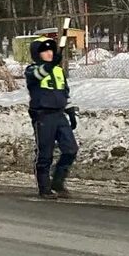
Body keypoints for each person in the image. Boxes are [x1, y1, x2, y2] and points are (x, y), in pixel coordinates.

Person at [25, 36, 79, 199]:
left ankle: (58, 181)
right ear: (37, 54)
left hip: (59, 115)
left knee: (71, 149)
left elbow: (64, 92)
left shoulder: (58, 71)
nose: (49, 53)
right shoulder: (32, 70)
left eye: (51, 50)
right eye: (45, 51)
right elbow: (39, 75)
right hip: (43, 115)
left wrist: (70, 111)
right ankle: (44, 186)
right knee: (45, 152)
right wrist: (50, 64)